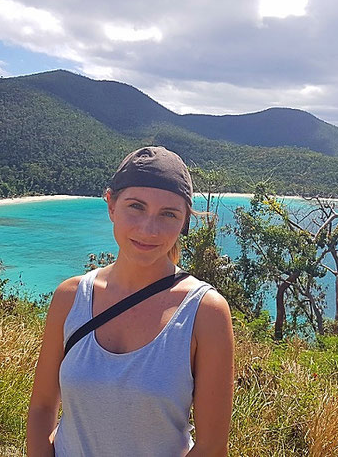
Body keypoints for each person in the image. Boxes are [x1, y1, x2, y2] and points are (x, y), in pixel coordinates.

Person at [26, 146, 234, 456]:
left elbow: (212, 445)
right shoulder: (70, 298)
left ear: (184, 221)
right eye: (136, 207)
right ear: (111, 204)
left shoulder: (205, 312)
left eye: (168, 214)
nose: (149, 229)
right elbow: (43, 406)